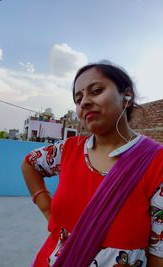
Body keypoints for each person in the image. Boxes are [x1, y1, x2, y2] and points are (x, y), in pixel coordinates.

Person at [21, 62, 163, 267]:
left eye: (96, 91)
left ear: (127, 96)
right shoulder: (67, 150)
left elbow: (159, 251)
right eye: (78, 99)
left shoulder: (156, 163)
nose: (85, 102)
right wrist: (45, 206)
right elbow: (29, 164)